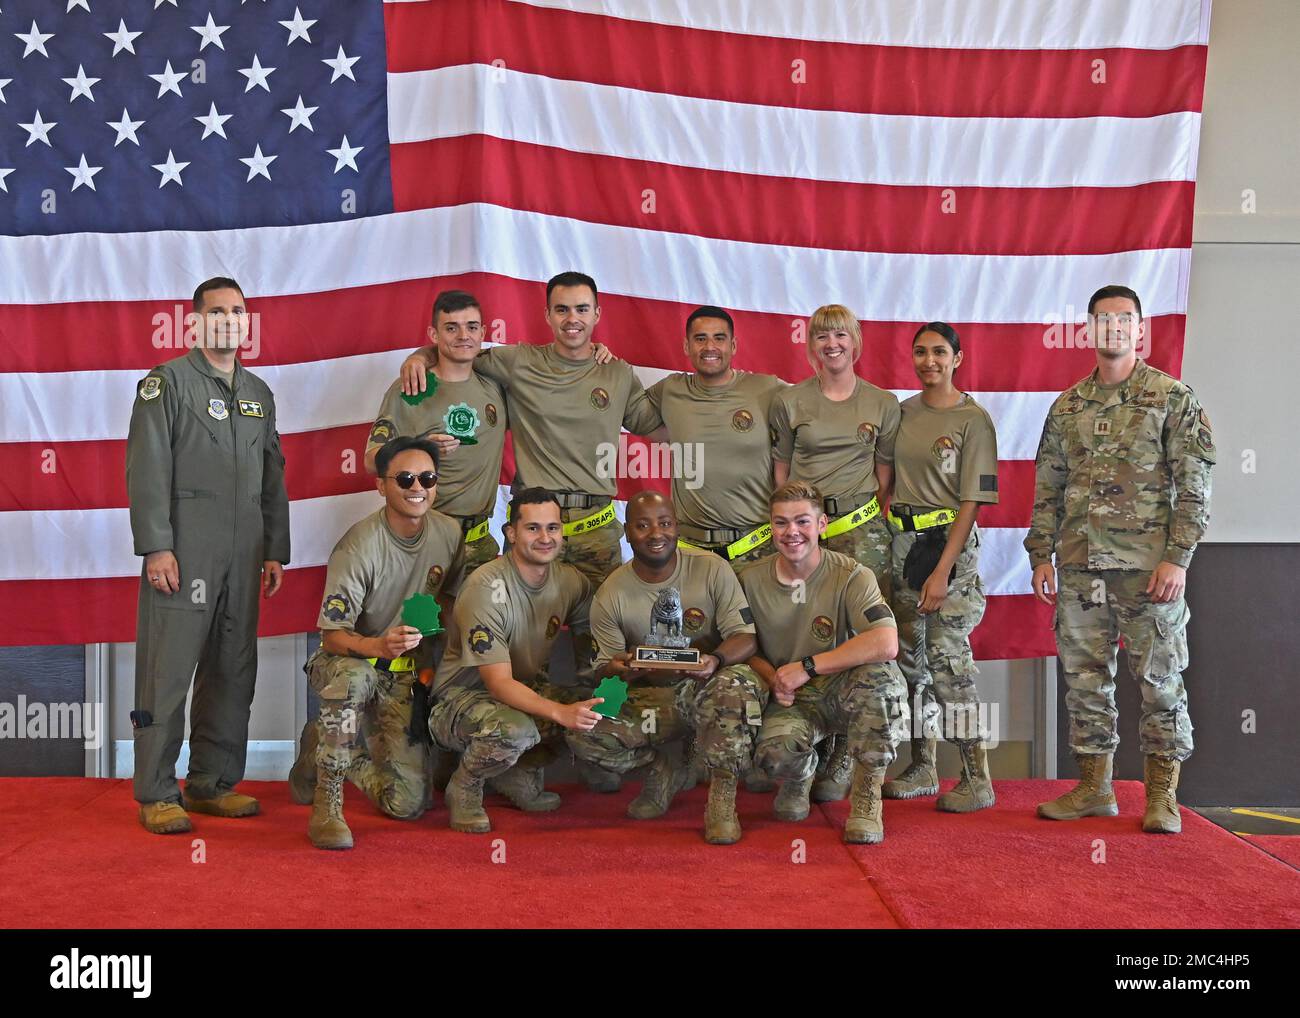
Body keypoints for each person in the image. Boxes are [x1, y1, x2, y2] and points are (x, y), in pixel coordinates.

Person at [1027, 285, 1214, 834]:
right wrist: (1041, 555)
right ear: (1088, 331)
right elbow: (1048, 488)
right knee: (1085, 680)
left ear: (1139, 330)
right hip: (1081, 569)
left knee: (1160, 679)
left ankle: (1162, 796)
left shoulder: (1172, 398)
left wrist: (1177, 558)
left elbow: (1195, 486)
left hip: (1147, 569)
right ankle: (1094, 788)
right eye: (1102, 320)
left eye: (1123, 320)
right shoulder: (1067, 407)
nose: (1113, 328)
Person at [126, 276, 290, 835]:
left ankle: (212, 783)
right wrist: (156, 546)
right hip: (185, 549)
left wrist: (274, 549)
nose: (229, 320)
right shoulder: (165, 384)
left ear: (248, 323)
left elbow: (273, 476)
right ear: (195, 322)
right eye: (217, 311)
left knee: (232, 668)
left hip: (246, 552)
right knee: (167, 671)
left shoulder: (259, 393)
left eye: (238, 312)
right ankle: (155, 790)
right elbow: (147, 468)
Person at [400, 271, 664, 590]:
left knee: (599, 635)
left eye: (581, 309)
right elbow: (460, 350)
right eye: (561, 309)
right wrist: (419, 357)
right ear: (548, 315)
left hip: (595, 533)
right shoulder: (519, 361)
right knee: (524, 634)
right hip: (533, 529)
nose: (572, 319)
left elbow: (656, 427)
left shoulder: (617, 373)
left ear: (597, 313)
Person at [295, 437, 464, 849]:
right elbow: (332, 636)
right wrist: (379, 647)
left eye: (427, 478)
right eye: (404, 479)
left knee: (407, 804)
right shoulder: (359, 546)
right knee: (353, 680)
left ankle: (330, 741)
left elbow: (444, 599)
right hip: (351, 661)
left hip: (404, 675)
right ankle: (327, 801)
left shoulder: (449, 532)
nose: (417, 488)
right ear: (382, 487)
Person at [573, 491, 764, 845]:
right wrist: (619, 669)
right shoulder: (610, 592)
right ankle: (663, 770)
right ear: (627, 532)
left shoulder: (711, 568)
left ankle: (722, 797)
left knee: (737, 682)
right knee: (584, 733)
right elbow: (604, 670)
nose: (655, 534)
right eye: (642, 526)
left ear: (676, 527)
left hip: (704, 687)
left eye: (664, 523)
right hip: (652, 694)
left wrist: (715, 660)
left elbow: (746, 638)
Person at [769, 304, 901, 802]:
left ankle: (847, 749)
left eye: (841, 335)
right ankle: (807, 743)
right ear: (811, 345)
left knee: (860, 637)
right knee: (806, 627)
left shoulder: (883, 404)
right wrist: (800, 526)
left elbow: (883, 479)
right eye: (822, 336)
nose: (832, 344)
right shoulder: (789, 401)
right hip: (806, 532)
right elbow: (782, 475)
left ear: (856, 341)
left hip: (862, 533)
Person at [429, 488, 604, 834]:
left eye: (552, 528)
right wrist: (560, 712)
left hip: (523, 691)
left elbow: (595, 624)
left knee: (600, 713)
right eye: (533, 528)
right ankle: (464, 786)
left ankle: (516, 771)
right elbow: (498, 684)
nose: (545, 538)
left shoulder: (569, 581)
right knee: (515, 729)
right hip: (460, 701)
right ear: (511, 533)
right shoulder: (485, 587)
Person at [744, 482, 909, 843]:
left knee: (880, 681)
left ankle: (867, 798)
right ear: (769, 527)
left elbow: (886, 641)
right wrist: (773, 677)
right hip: (790, 698)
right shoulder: (750, 579)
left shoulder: (851, 574)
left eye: (802, 521)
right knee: (775, 756)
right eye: (781, 523)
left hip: (840, 691)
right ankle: (801, 774)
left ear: (822, 525)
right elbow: (739, 645)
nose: (791, 533)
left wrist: (807, 666)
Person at [882, 322, 999, 812]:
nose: (929, 360)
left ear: (957, 358)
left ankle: (977, 776)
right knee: (913, 662)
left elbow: (973, 500)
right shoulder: (902, 413)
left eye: (939, 352)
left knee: (949, 660)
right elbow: (884, 478)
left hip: (949, 545)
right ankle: (923, 764)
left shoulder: (974, 419)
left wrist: (942, 571)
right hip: (904, 543)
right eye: (920, 352)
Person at [365, 290, 508, 576]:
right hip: (423, 540)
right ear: (433, 333)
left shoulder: (495, 388)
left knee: (481, 622)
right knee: (420, 621)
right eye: (451, 327)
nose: (462, 335)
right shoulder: (411, 388)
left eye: (471, 327)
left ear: (483, 332)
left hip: (479, 544)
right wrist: (418, 450)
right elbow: (371, 460)